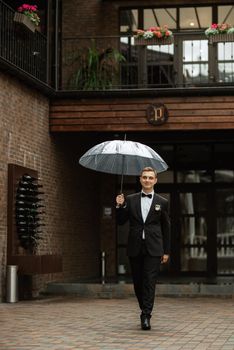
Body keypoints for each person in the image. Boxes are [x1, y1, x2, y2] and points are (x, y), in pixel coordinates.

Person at [116, 167, 170, 330]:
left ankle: (146, 315)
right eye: (144, 177)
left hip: (154, 248)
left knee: (149, 282)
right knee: (138, 282)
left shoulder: (163, 202)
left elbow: (166, 228)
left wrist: (166, 251)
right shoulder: (130, 199)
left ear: (155, 180)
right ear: (140, 179)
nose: (147, 180)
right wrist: (120, 206)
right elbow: (121, 222)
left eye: (150, 178)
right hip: (135, 247)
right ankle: (143, 308)